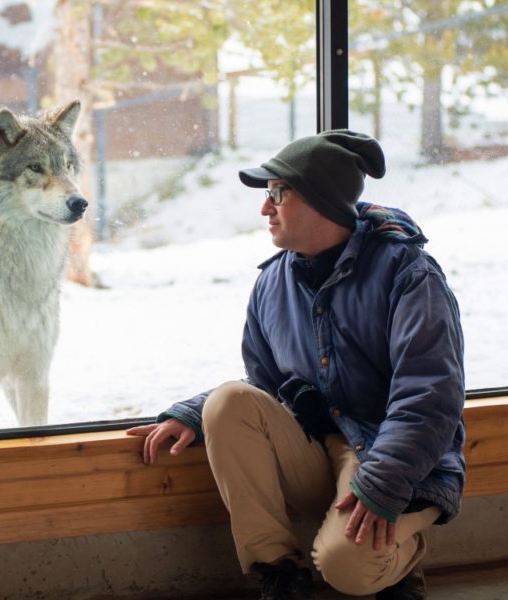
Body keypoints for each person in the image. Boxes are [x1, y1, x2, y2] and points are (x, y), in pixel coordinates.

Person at [127, 130, 465, 600]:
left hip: (394, 457)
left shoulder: (408, 273)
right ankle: (280, 575)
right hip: (316, 450)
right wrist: (194, 413)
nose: (265, 208)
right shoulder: (272, 283)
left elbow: (430, 394)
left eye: (277, 194)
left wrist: (384, 485)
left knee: (348, 568)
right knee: (228, 402)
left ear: (322, 200)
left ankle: (397, 564)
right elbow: (262, 386)